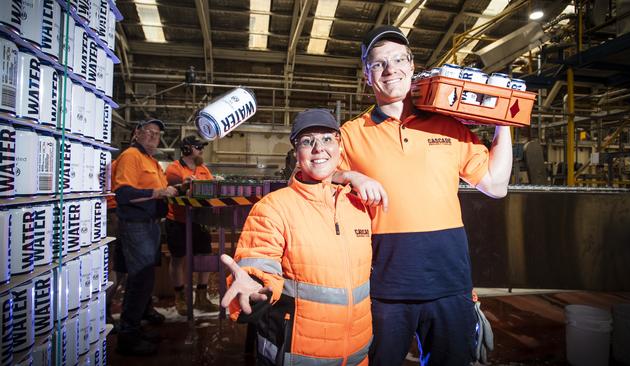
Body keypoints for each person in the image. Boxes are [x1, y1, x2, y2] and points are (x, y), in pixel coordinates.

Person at [335, 26, 513, 366]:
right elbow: (320, 178)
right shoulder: (351, 134)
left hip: (449, 283)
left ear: (412, 65)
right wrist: (351, 175)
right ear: (366, 74)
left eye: (399, 59)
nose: (390, 69)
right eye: (379, 63)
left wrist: (502, 124)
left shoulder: (448, 127)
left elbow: (495, 185)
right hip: (385, 289)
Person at [220, 108, 374, 365]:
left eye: (327, 139)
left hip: (357, 355)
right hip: (296, 356)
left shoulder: (358, 205)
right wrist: (255, 286)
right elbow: (258, 261)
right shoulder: (273, 207)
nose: (318, 148)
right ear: (296, 154)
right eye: (307, 141)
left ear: (339, 145)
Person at [113, 119, 179, 356]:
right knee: (139, 280)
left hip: (150, 226)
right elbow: (123, 193)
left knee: (142, 281)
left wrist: (177, 187)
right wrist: (158, 192)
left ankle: (135, 327)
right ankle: (128, 337)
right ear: (136, 133)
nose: (153, 137)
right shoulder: (131, 156)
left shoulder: (150, 160)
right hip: (137, 226)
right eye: (148, 132)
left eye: (157, 134)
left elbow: (160, 189)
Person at [164, 135, 219, 315]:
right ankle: (180, 297)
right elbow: (174, 190)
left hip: (199, 221)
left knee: (205, 255)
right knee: (178, 258)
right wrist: (185, 187)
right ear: (187, 149)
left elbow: (211, 190)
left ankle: (201, 297)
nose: (202, 150)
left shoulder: (203, 169)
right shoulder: (174, 168)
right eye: (198, 147)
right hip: (178, 221)